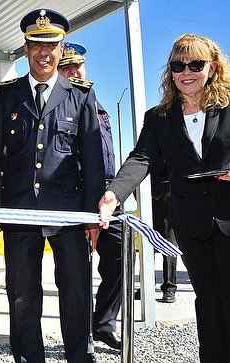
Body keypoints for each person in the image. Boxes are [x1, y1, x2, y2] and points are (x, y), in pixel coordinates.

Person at [0, 9, 105, 363]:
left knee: (76, 293)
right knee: (22, 296)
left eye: (51, 44)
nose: (44, 52)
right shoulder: (7, 96)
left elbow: (92, 161)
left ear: (61, 47)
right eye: (36, 44)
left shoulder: (80, 96)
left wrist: (94, 214)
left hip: (68, 211)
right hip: (19, 210)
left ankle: (80, 357)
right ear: (25, 48)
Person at [99, 34, 230, 362]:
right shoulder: (158, 118)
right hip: (192, 223)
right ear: (170, 72)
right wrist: (113, 194)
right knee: (208, 299)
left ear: (212, 68)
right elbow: (141, 157)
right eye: (178, 65)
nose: (187, 71)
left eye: (196, 64)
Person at [58, 42, 122, 350]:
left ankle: (104, 323)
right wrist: (88, 209)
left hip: (110, 193)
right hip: (78, 197)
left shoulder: (96, 103)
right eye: (65, 68)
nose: (73, 71)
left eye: (76, 66)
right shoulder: (59, 105)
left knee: (121, 256)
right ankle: (81, 337)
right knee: (77, 270)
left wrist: (114, 193)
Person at [150, 160, 178, 304]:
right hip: (150, 198)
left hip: (167, 196)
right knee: (148, 244)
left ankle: (169, 289)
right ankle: (148, 286)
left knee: (168, 244)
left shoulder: (169, 143)